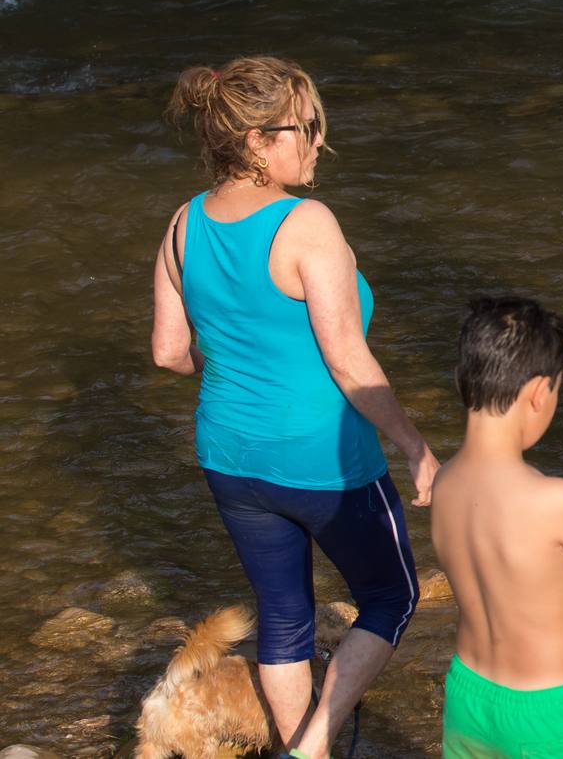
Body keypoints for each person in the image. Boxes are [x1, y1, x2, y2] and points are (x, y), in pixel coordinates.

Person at [151, 56, 440, 759]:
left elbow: (169, 351)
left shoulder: (184, 224)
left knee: (286, 615)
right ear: (256, 141)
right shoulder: (305, 223)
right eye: (305, 128)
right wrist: (415, 445)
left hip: (229, 454)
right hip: (320, 459)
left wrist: (238, 361)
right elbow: (348, 360)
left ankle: (296, 746)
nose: (317, 143)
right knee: (392, 597)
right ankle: (312, 748)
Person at [431, 297, 563, 758]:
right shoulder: (555, 500)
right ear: (540, 393)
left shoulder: (443, 484)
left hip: (468, 698)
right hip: (551, 711)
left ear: (462, 378)